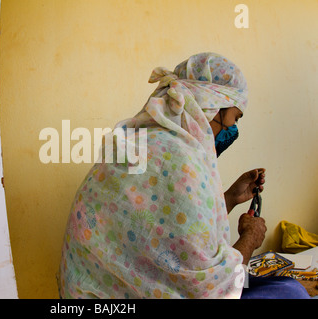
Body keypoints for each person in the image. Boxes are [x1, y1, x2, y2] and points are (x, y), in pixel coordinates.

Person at [57, 53, 280, 299]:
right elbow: (210, 291)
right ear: (213, 105)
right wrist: (250, 239)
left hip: (88, 293)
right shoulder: (182, 160)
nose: (234, 128)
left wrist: (227, 198)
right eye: (235, 117)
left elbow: (169, 235)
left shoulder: (141, 142)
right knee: (289, 292)